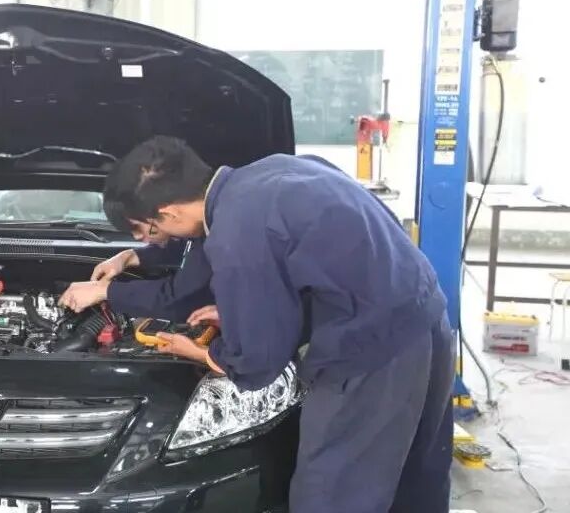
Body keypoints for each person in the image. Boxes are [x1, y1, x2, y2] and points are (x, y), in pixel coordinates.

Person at [102, 136, 454, 513]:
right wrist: (246, 306)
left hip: (372, 350)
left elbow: (258, 360)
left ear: (169, 213)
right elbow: (328, 260)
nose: (154, 241)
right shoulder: (276, 170)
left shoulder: (237, 235)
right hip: (427, 316)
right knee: (415, 481)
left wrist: (203, 353)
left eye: (149, 231)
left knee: (331, 493)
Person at [57, 198, 212, 321]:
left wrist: (104, 290)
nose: (137, 237)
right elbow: (183, 245)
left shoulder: (215, 238)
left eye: (137, 227)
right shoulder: (199, 227)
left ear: (166, 212)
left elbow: (179, 300)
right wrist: (128, 257)